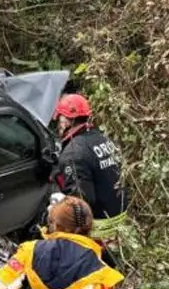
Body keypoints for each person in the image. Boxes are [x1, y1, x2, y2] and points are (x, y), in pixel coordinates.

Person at [51, 94, 128, 250]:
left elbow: (80, 202)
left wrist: (58, 208)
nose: (58, 124)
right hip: (120, 218)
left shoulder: (73, 153)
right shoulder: (103, 139)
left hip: (100, 229)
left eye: (59, 119)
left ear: (66, 120)